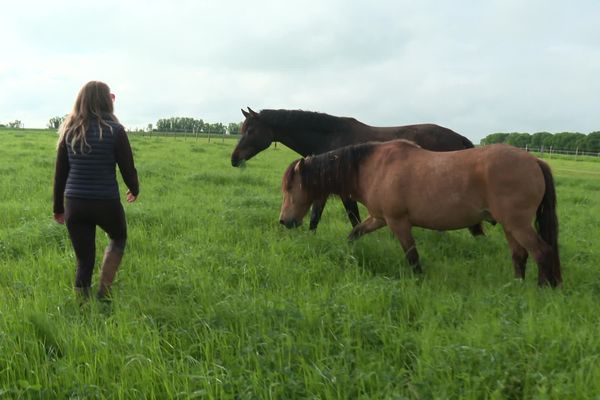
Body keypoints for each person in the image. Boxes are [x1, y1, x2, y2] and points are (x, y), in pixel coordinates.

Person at [52, 81, 139, 301]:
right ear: (105, 101)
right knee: (118, 237)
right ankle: (104, 292)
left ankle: (82, 305)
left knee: (84, 261)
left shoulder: (69, 131)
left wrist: (58, 208)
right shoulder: (116, 130)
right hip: (106, 202)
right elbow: (127, 167)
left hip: (75, 204)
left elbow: (60, 174)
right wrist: (134, 188)